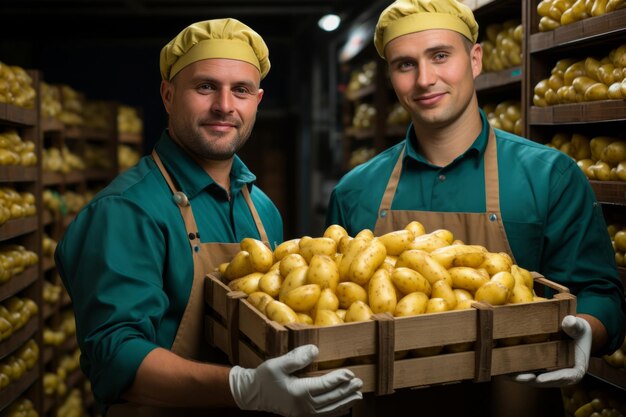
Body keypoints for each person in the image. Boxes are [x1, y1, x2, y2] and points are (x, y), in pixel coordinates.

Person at [326, 0, 626, 415]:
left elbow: (600, 292)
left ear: (475, 58)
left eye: (440, 56)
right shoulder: (355, 190)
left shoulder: (549, 175)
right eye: (405, 64)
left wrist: (585, 331)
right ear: (391, 77)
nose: (425, 80)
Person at [55, 18, 363, 417]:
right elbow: (114, 358)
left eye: (241, 90)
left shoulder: (262, 209)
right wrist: (243, 386)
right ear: (167, 96)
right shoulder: (125, 211)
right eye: (205, 87)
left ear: (258, 100)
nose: (224, 105)